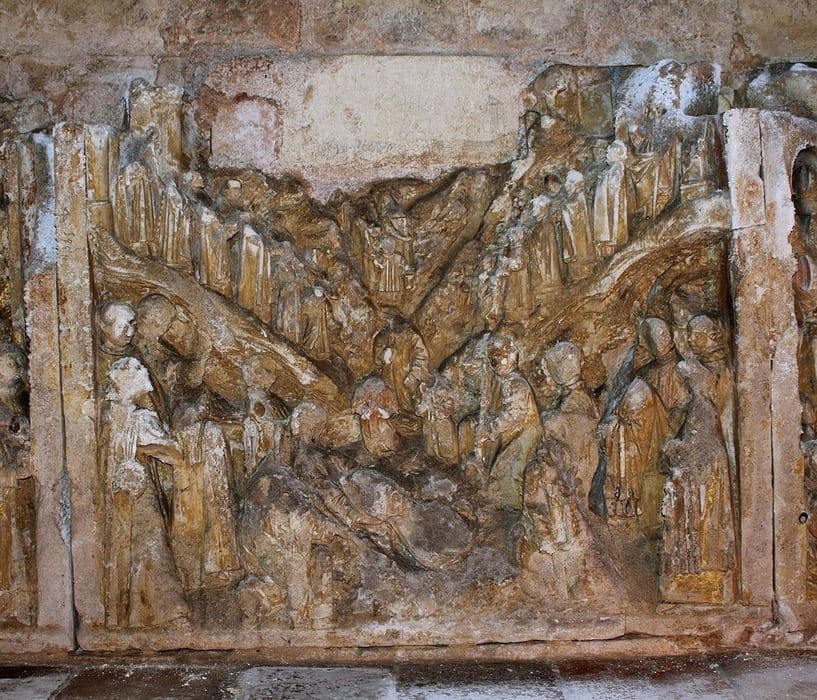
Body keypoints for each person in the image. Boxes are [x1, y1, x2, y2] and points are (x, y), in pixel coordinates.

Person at [103, 357, 188, 628]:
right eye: (139, 371)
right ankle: (164, 612)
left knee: (140, 548)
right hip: (130, 494)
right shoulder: (128, 417)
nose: (145, 374)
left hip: (129, 493)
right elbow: (173, 452)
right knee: (148, 547)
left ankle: (146, 613)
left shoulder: (123, 416)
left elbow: (169, 452)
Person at [472, 335, 542, 510]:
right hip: (516, 432)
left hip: (525, 435)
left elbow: (515, 415)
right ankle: (503, 503)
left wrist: (491, 428)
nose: (495, 362)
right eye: (492, 358)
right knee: (504, 466)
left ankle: (511, 507)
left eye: (499, 356)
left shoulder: (516, 383)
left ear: (510, 357)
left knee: (510, 469)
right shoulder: (506, 381)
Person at [0, 344, 34, 625]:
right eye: (9, 363)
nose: (14, 369)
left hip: (17, 489)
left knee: (17, 541)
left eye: (15, 364)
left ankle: (17, 606)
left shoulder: (17, 404)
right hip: (5, 482)